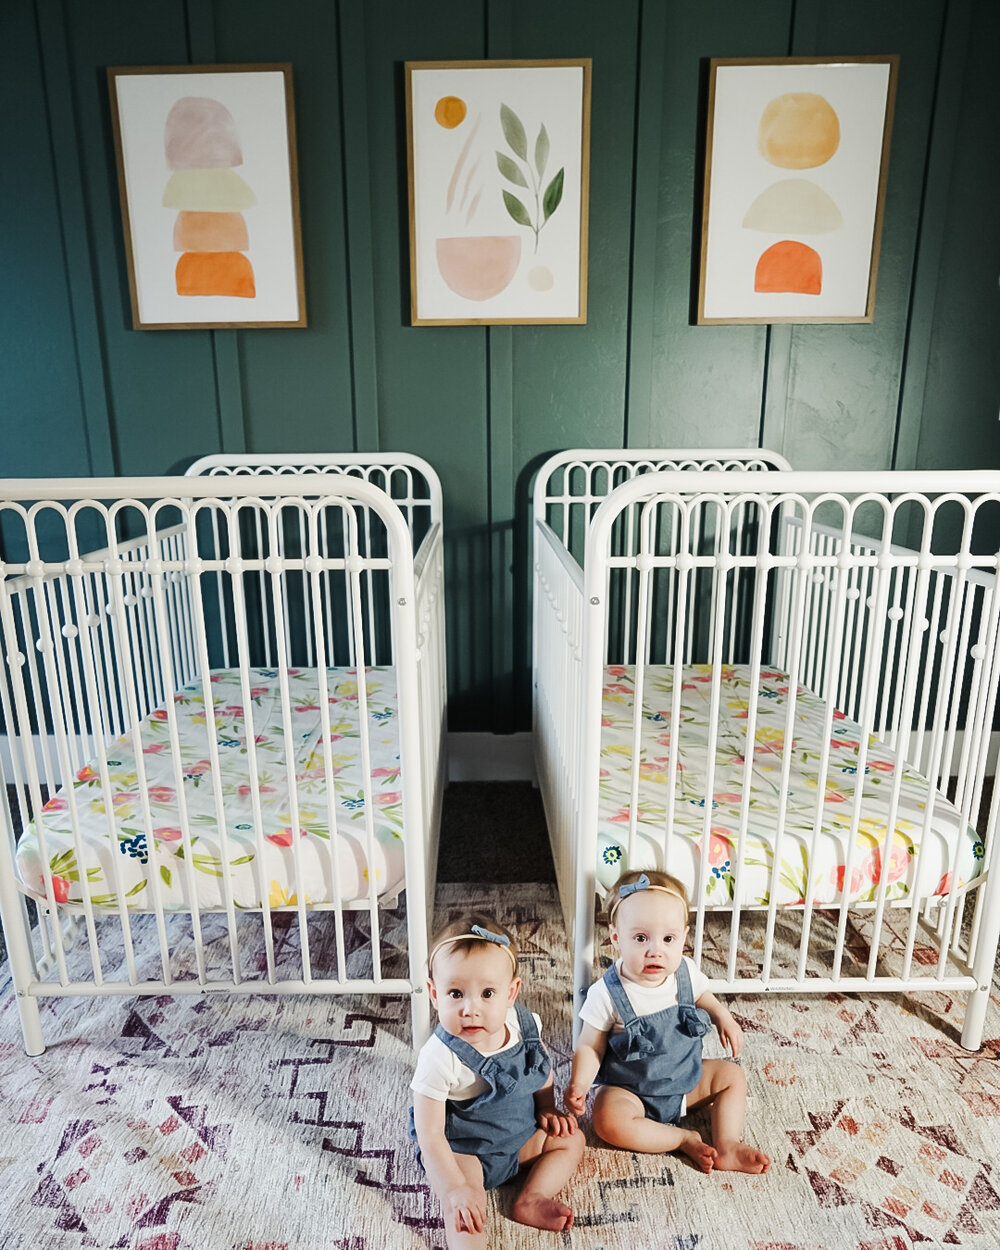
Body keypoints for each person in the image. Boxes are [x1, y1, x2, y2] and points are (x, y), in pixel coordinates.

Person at [565, 869, 769, 1175]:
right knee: (606, 1120)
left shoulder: (684, 971)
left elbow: (704, 996)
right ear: (616, 937)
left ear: (684, 938)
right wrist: (579, 1083)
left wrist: (722, 1016)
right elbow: (590, 1045)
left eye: (668, 938)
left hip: (686, 1081)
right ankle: (681, 1139)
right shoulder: (606, 993)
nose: (655, 950)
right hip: (631, 1092)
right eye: (641, 938)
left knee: (732, 1076)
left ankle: (727, 1145)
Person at [409, 912, 584, 1247]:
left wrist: (547, 1108)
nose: (470, 1009)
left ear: (511, 992)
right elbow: (430, 1136)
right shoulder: (438, 1057)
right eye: (455, 994)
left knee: (571, 1139)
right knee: (465, 1208)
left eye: (488, 993)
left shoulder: (524, 1025)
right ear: (434, 993)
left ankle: (531, 1198)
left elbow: (539, 1068)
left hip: (518, 1139)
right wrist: (454, 1187)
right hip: (466, 1152)